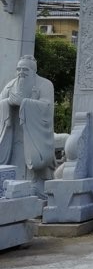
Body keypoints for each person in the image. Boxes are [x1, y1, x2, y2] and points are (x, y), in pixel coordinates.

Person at [0, 55, 55, 194]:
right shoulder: (10, 85)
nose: (21, 72)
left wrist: (24, 103)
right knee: (14, 164)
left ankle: (36, 187)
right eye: (18, 69)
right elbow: (1, 103)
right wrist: (8, 103)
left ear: (34, 71)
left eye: (25, 69)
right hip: (13, 134)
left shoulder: (45, 84)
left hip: (33, 136)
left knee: (33, 174)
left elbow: (47, 107)